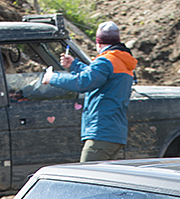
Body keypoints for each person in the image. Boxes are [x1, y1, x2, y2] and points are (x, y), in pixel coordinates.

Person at [41, 20, 137, 162]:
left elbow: (83, 82)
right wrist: (74, 65)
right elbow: (96, 76)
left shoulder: (105, 61)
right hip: (114, 134)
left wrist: (53, 78)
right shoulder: (120, 61)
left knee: (87, 179)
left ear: (98, 43)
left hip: (100, 133)